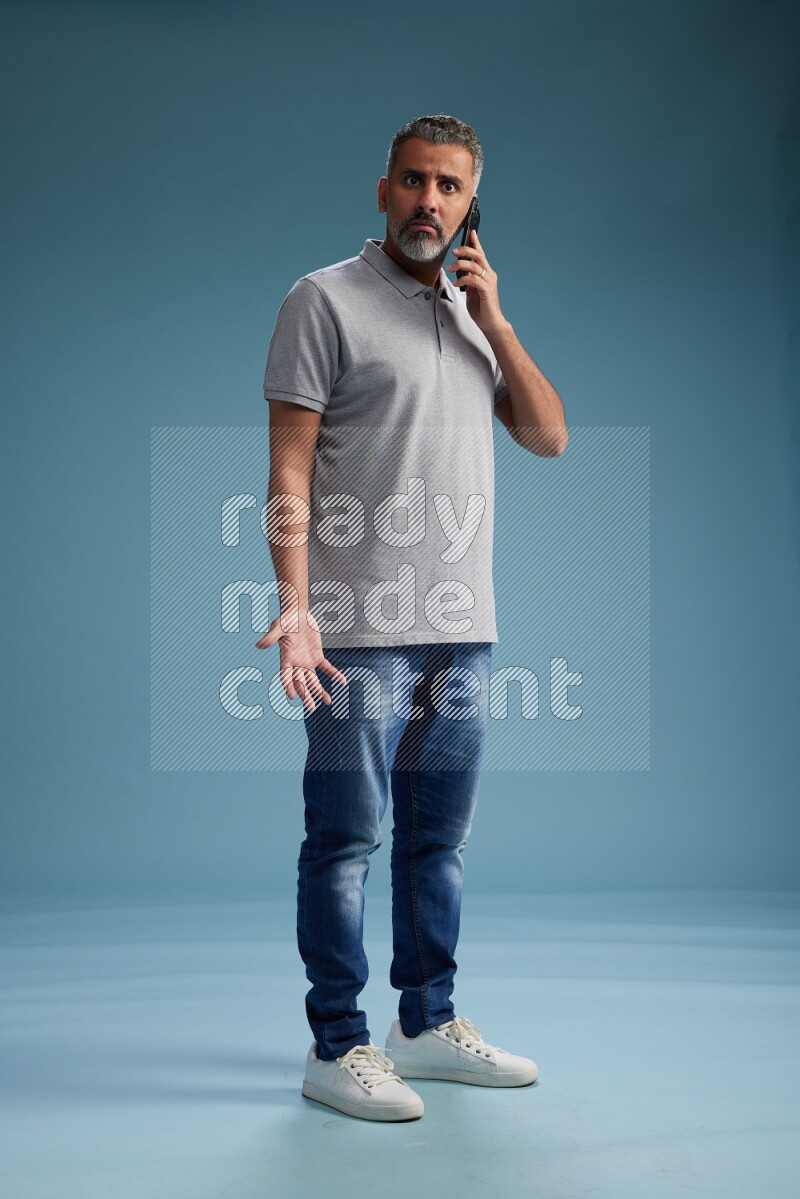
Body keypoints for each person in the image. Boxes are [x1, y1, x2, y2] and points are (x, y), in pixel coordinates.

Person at [256, 114, 567, 1122]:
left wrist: (499, 318)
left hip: (460, 624)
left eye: (448, 187)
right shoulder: (321, 299)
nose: (429, 201)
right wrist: (295, 607)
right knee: (345, 837)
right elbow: (290, 468)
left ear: (469, 203)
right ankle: (336, 1042)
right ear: (381, 190)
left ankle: (424, 1024)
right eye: (412, 181)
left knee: (438, 839)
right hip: (355, 625)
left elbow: (547, 436)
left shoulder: (474, 312)